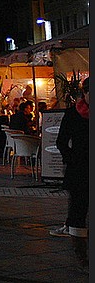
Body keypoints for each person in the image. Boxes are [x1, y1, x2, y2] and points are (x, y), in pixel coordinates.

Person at [53, 77, 88, 272]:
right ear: (85, 93)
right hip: (80, 169)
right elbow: (61, 141)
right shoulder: (73, 114)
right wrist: (71, 158)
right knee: (78, 210)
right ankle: (81, 254)